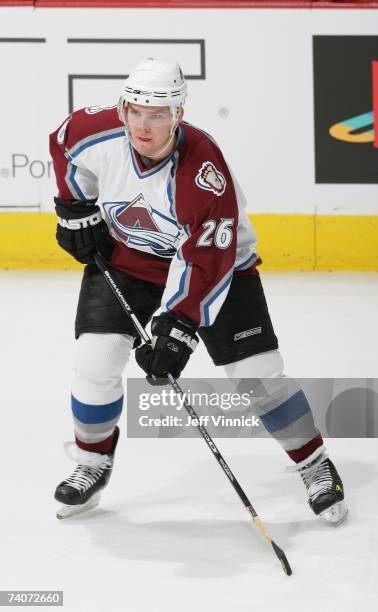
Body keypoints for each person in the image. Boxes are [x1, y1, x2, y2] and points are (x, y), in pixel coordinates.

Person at [50, 58, 347, 524]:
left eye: (158, 114)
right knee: (94, 360)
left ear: (179, 114)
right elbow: (63, 144)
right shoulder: (94, 129)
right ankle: (92, 463)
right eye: (135, 112)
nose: (143, 126)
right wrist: (73, 207)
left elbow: (205, 260)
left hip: (219, 265)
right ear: (122, 107)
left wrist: (177, 328)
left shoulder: (202, 170)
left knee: (258, 376)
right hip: (131, 259)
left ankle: (313, 462)